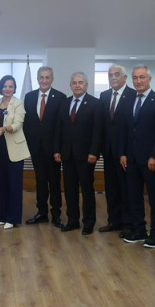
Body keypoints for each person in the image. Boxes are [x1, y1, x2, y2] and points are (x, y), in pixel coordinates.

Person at [121, 66, 155, 247]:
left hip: (150, 160)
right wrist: (123, 153)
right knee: (134, 196)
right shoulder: (128, 100)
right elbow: (126, 129)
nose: (138, 81)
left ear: (150, 79)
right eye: (135, 78)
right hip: (131, 159)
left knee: (154, 198)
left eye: (142, 77)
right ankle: (139, 230)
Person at [54, 72, 104, 235]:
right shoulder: (64, 103)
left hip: (86, 156)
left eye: (80, 82)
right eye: (74, 82)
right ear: (70, 85)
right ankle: (73, 221)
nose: (77, 85)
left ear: (86, 85)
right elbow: (59, 128)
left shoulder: (95, 104)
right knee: (70, 189)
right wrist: (57, 150)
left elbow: (98, 131)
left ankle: (88, 222)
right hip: (67, 154)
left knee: (87, 189)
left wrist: (94, 152)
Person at [23, 66, 66, 226]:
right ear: (37, 79)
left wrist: (58, 148)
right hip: (36, 148)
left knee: (54, 182)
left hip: (53, 150)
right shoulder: (29, 97)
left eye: (47, 77)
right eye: (41, 77)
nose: (44, 80)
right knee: (40, 181)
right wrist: (27, 145)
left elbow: (61, 126)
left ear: (52, 79)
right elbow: (27, 124)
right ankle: (41, 212)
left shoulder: (60, 97)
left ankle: (56, 214)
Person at [98, 65, 135, 234]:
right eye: (110, 75)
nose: (113, 77)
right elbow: (102, 124)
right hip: (108, 151)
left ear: (125, 78)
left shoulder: (133, 95)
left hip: (125, 153)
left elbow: (132, 127)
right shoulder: (104, 96)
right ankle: (113, 221)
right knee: (111, 188)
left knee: (126, 189)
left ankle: (127, 223)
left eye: (117, 74)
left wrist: (125, 152)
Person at [0, 75, 29, 229]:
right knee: (1, 183)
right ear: (1, 87)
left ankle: (13, 218)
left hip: (14, 149)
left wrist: (5, 128)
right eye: (5, 86)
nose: (7, 89)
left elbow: (18, 124)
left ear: (14, 89)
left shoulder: (18, 103)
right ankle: (2, 216)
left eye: (10, 86)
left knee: (14, 184)